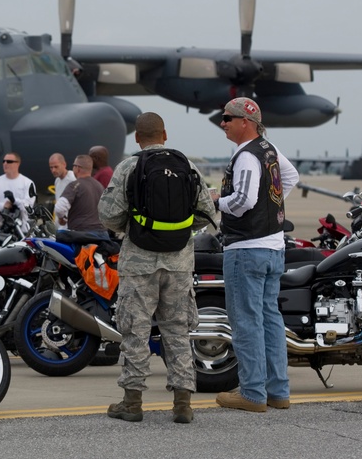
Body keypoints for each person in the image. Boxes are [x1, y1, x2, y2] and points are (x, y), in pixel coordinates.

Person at [98, 112, 216, 424]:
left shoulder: (128, 166)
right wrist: (179, 230)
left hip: (139, 262)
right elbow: (207, 212)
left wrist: (137, 228)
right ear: (165, 132)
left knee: (135, 330)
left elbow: (108, 215)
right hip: (179, 261)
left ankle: (133, 402)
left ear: (136, 137)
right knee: (177, 330)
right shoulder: (187, 166)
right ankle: (182, 404)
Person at [211, 97, 298, 413]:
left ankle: (251, 393)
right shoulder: (268, 150)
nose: (223, 123)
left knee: (246, 321)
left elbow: (244, 200)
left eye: (227, 118)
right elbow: (290, 178)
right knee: (270, 320)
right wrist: (270, 204)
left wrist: (214, 203)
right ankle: (278, 391)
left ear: (244, 123)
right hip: (273, 247)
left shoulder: (246, 156)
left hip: (246, 248)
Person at [55, 154, 107, 237]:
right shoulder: (100, 186)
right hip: (102, 235)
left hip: (82, 236)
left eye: (73, 166)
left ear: (77, 168)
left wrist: (61, 220)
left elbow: (59, 208)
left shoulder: (75, 185)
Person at [0, 152, 36, 229]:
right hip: (0, 229)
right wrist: (4, 206)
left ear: (18, 164)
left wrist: (14, 201)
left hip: (22, 230)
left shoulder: (28, 183)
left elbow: (29, 207)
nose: (5, 163)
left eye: (9, 161)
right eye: (3, 161)